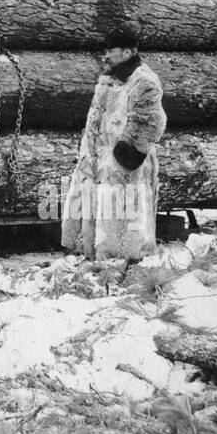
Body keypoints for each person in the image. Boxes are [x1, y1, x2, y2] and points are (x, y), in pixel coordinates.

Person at [61, 25, 167, 262]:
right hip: (98, 158)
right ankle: (93, 252)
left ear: (128, 53)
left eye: (111, 50)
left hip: (123, 162)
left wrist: (126, 154)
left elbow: (151, 121)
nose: (105, 55)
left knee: (123, 215)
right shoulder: (108, 80)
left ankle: (125, 260)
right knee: (95, 207)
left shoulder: (143, 81)